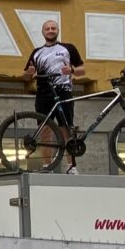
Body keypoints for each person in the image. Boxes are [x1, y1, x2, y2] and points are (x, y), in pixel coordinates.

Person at [22, 20, 86, 174]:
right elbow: (25, 76)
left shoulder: (68, 48)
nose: (50, 30)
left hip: (63, 91)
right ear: (43, 32)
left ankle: (71, 167)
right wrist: (29, 74)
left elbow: (82, 70)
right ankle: (47, 166)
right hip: (44, 93)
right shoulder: (37, 52)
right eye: (47, 29)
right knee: (45, 131)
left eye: (53, 28)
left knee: (66, 130)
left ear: (57, 30)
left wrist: (71, 70)